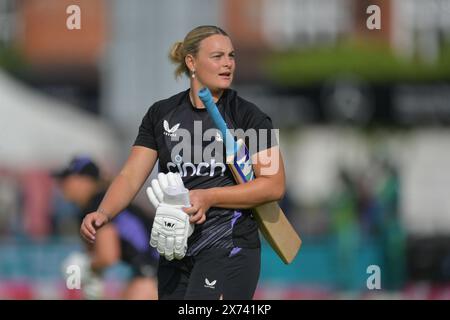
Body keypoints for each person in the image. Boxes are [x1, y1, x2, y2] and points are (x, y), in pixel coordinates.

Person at [80, 25, 286, 300]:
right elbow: (130, 176)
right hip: (174, 247)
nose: (227, 63)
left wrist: (209, 197)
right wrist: (103, 213)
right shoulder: (161, 114)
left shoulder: (250, 117)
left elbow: (274, 186)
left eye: (231, 56)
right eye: (217, 56)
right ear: (191, 62)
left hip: (229, 247)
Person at [53, 156, 158, 300]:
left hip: (155, 263)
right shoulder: (94, 205)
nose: (62, 184)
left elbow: (108, 256)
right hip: (152, 264)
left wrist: (84, 265)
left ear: (85, 180)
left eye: (67, 178)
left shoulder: (97, 205)